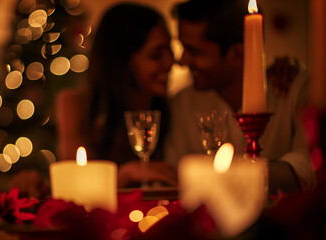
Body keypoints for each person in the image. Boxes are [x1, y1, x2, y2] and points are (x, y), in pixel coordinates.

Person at [165, 0, 316, 194]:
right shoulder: (183, 103)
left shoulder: (294, 90)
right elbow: (175, 174)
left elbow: (309, 166)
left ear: (236, 53)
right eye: (182, 48)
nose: (182, 60)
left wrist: (244, 176)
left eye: (194, 51)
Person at [55, 3, 177, 187]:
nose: (171, 62)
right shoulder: (77, 106)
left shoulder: (173, 106)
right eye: (156, 55)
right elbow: (76, 184)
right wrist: (124, 175)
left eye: (170, 49)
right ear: (122, 61)